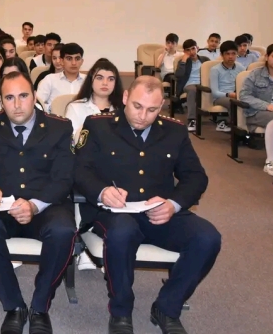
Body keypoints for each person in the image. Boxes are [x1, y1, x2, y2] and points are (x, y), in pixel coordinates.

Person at [74, 76, 221, 334]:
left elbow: (196, 176)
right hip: (113, 212)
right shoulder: (98, 126)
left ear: (161, 105)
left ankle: (167, 307)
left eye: (152, 110)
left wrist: (173, 204)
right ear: (125, 98)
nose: (143, 116)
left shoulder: (174, 131)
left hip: (159, 213)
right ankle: (121, 311)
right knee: (122, 232)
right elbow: (78, 169)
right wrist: (102, 191)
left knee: (208, 238)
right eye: (137, 106)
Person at [0, 71, 76, 334]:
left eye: (23, 96)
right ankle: (14, 306)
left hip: (46, 206)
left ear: (34, 96)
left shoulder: (59, 127)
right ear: (1, 101)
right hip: (4, 207)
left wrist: (34, 205)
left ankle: (40, 307)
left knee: (64, 230)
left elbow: (64, 178)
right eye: (9, 98)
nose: (17, 104)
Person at [239, 44, 273, 177]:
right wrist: (266, 106)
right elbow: (244, 96)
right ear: (267, 57)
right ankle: (270, 161)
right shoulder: (255, 74)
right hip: (256, 112)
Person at [65, 58, 123, 141]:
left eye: (111, 79)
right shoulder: (75, 107)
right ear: (91, 80)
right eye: (99, 78)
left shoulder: (122, 109)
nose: (105, 83)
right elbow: (71, 140)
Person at [36, 43, 85, 113]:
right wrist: (53, 108)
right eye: (69, 58)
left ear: (82, 61)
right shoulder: (50, 79)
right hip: (54, 117)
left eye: (77, 58)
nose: (74, 63)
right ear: (62, 61)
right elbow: (38, 103)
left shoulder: (88, 81)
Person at [209, 40, 245, 133]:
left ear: (237, 54)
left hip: (237, 95)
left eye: (233, 53)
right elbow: (215, 92)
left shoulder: (241, 68)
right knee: (233, 103)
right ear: (222, 55)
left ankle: (245, 127)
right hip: (220, 97)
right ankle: (237, 130)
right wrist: (229, 94)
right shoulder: (215, 70)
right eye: (227, 54)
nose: (230, 56)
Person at [175, 39, 209, 132]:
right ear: (184, 52)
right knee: (193, 90)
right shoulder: (183, 61)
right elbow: (178, 75)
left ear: (197, 48)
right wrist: (183, 60)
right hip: (189, 84)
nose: (191, 52)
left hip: (203, 84)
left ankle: (220, 119)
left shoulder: (205, 60)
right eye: (188, 50)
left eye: (193, 48)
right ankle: (192, 119)